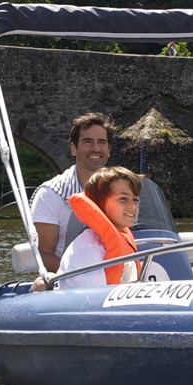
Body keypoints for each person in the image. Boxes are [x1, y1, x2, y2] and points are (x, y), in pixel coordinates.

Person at [29, 112, 115, 273]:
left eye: (101, 142)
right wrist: (90, 275)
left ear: (109, 150)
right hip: (70, 285)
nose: (95, 148)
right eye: (88, 142)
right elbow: (43, 254)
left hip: (119, 282)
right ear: (73, 148)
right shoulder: (50, 194)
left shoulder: (123, 192)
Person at [53, 166, 143, 288]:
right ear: (99, 203)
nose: (133, 206)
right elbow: (93, 301)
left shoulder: (123, 239)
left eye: (135, 200)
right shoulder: (89, 250)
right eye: (123, 199)